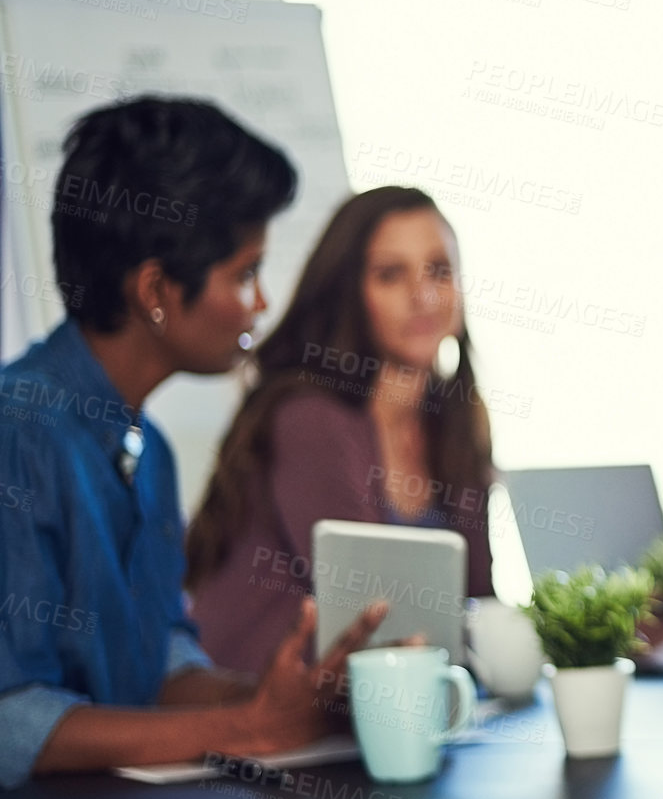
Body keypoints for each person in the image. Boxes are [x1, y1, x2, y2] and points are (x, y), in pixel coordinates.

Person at [0, 97, 389, 790]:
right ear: (155, 290)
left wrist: (282, 697)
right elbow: (11, 718)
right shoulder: (17, 431)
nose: (260, 304)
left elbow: (162, 666)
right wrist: (245, 728)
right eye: (244, 274)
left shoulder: (148, 449)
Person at [184, 187, 495, 675]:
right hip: (259, 709)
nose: (424, 296)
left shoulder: (453, 419)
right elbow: (375, 614)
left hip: (385, 699)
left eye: (440, 270)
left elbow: (479, 602)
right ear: (348, 292)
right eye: (391, 275)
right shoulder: (309, 417)